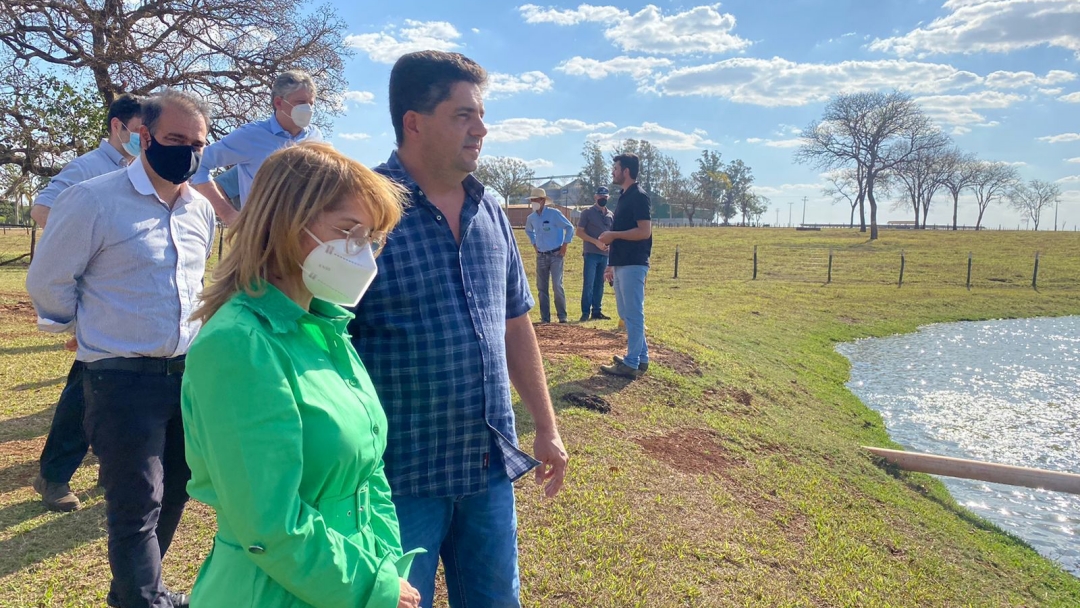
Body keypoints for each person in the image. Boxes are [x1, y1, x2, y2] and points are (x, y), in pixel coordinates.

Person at [348, 50, 569, 608]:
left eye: (481, 113)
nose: (482, 128)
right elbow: (324, 340)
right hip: (396, 477)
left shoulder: (491, 207)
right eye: (463, 115)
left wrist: (546, 425)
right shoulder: (360, 212)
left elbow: (515, 322)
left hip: (488, 464)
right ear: (414, 122)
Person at [181, 142, 422, 608]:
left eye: (370, 239)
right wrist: (371, 588)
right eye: (348, 233)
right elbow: (269, 524)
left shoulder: (326, 329)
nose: (363, 254)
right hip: (275, 592)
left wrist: (387, 568)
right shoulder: (239, 344)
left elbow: (368, 475)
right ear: (287, 223)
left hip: (344, 580)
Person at [26, 89, 216, 608]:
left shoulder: (200, 210)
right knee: (136, 503)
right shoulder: (94, 198)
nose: (190, 151)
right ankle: (143, 600)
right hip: (120, 377)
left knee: (176, 489)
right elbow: (48, 279)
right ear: (145, 137)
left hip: (186, 375)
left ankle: (137, 592)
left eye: (198, 142)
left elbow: (196, 286)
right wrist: (78, 325)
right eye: (177, 139)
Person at [27, 94, 144, 513]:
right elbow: (42, 210)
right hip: (97, 298)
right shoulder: (87, 169)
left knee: (118, 387)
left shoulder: (139, 171)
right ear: (117, 127)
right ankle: (54, 476)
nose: (143, 139)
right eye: (138, 129)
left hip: (129, 300)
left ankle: (106, 464)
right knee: (86, 388)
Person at [191, 70, 323, 225]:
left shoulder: (315, 138)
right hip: (262, 240)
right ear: (279, 103)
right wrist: (228, 215)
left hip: (303, 238)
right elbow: (199, 163)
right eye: (301, 103)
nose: (308, 109)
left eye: (311, 103)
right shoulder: (251, 136)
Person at [599, 153, 652, 379]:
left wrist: (613, 234)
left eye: (616, 168)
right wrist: (611, 264)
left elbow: (644, 231)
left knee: (633, 313)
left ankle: (630, 363)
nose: (613, 172)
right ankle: (641, 358)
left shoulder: (639, 196)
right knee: (626, 312)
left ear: (626, 171)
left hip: (633, 263)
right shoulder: (624, 196)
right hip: (621, 263)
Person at [524, 186, 574, 324]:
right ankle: (545, 318)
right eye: (532, 200)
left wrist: (565, 245)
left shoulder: (554, 214)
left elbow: (569, 227)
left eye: (536, 199)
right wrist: (534, 244)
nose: (533, 202)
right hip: (541, 255)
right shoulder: (531, 218)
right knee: (541, 287)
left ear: (542, 200)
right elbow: (528, 231)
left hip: (556, 254)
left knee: (557, 285)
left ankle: (562, 316)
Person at [575, 186, 614, 323]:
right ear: (595, 197)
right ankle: (585, 312)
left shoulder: (610, 215)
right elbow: (579, 232)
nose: (602, 199)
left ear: (607, 198)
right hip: (591, 253)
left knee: (600, 284)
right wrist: (595, 242)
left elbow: (613, 233)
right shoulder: (587, 213)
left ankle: (596, 311)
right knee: (589, 283)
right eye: (600, 196)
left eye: (605, 197)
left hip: (605, 254)